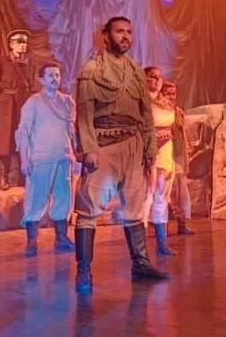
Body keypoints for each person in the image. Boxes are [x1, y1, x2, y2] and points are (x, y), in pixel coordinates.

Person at [72, 18, 169, 294]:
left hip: (133, 145)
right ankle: (84, 270)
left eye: (129, 32)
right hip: (103, 145)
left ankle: (140, 265)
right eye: (119, 32)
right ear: (106, 36)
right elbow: (84, 114)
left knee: (135, 207)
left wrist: (150, 149)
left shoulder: (136, 71)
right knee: (89, 208)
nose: (125, 36)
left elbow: (145, 114)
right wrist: (89, 148)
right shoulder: (92, 71)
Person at [15, 60, 77, 260]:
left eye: (57, 75)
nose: (54, 78)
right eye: (50, 75)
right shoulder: (33, 102)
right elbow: (23, 132)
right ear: (41, 80)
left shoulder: (67, 102)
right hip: (40, 159)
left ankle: (61, 239)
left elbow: (72, 132)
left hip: (63, 158)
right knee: (35, 199)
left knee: (63, 198)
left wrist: (74, 156)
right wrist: (24, 160)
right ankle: (31, 242)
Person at [0, 29, 36, 189]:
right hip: (6, 105)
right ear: (11, 44)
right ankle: (3, 176)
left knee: (23, 139)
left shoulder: (29, 63)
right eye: (19, 42)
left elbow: (32, 85)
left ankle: (22, 177)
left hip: (23, 104)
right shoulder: (2, 60)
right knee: (5, 141)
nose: (23, 45)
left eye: (25, 42)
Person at [143, 66, 179, 258]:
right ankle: (140, 248)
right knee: (146, 197)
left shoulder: (167, 103)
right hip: (148, 152)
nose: (157, 80)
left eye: (159, 77)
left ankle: (162, 244)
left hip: (166, 152)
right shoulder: (139, 102)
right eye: (152, 76)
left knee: (162, 197)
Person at [162, 80, 195, 236]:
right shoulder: (159, 112)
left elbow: (183, 133)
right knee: (164, 189)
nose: (172, 96)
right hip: (165, 153)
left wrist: (187, 148)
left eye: (173, 93)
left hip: (179, 154)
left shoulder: (178, 111)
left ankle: (182, 224)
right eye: (168, 93)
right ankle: (162, 225)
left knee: (182, 189)